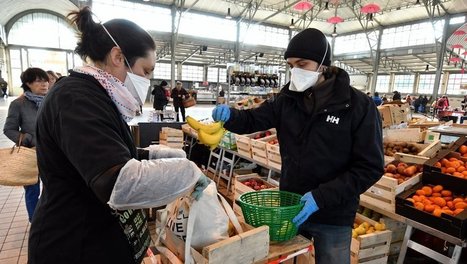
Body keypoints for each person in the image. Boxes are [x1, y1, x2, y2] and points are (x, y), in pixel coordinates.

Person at [28, 7, 208, 264]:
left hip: (98, 238)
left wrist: (158, 155)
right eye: (146, 71)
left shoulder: (97, 96)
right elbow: (116, 182)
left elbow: (112, 153)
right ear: (117, 56)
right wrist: (187, 172)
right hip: (73, 245)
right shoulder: (75, 99)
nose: (146, 80)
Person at [212, 28, 383, 264]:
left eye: (302, 64)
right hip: (291, 207)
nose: (296, 71)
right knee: (293, 260)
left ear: (323, 64)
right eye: (291, 65)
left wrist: (320, 197)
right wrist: (229, 116)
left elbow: (369, 167)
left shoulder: (358, 107)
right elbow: (253, 119)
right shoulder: (287, 100)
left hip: (334, 212)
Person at [3, 67, 49, 222]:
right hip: (31, 153)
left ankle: (49, 218)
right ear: (28, 83)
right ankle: (36, 221)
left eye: (45, 80)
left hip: (52, 153)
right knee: (32, 189)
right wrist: (28, 138)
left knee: (52, 188)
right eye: (38, 81)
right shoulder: (19, 104)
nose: (44, 84)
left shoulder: (51, 100)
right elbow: (9, 129)